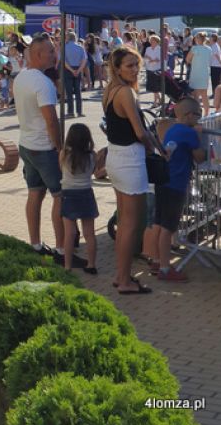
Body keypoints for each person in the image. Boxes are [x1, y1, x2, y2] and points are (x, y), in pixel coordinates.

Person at [13, 35, 86, 267]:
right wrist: (60, 148)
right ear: (37, 55)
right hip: (44, 147)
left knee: (35, 193)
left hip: (27, 143)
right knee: (59, 196)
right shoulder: (43, 84)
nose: (55, 56)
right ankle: (62, 249)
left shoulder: (21, 77)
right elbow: (51, 121)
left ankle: (35, 244)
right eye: (51, 52)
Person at [102, 47, 155, 294]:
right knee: (131, 225)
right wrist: (154, 149)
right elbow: (140, 131)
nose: (135, 70)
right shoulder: (125, 92)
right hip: (129, 160)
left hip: (116, 157)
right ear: (117, 68)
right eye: (130, 65)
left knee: (124, 222)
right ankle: (124, 280)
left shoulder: (110, 90)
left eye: (137, 64)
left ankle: (121, 276)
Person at [150, 98, 205, 282]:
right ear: (189, 115)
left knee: (159, 223)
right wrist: (199, 138)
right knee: (168, 228)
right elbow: (199, 157)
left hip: (163, 182)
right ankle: (165, 269)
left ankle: (156, 260)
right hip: (176, 185)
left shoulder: (172, 129)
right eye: (198, 115)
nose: (199, 119)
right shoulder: (189, 133)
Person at [59, 122, 100, 274]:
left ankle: (67, 266)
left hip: (69, 194)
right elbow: (93, 172)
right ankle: (91, 264)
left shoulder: (64, 155)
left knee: (69, 233)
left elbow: (61, 169)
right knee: (89, 233)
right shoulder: (92, 156)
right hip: (86, 193)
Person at [186, 33, 211, 116]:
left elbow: (187, 59)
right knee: (204, 95)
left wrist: (193, 62)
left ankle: (198, 114)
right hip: (205, 73)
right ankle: (206, 113)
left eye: (196, 38)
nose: (195, 39)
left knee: (196, 94)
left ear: (198, 39)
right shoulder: (209, 49)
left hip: (196, 73)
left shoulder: (194, 48)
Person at [64, 31, 87, 118]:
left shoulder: (64, 47)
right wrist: (78, 70)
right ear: (75, 38)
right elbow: (84, 60)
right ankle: (79, 111)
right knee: (78, 92)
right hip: (78, 68)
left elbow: (64, 61)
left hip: (68, 69)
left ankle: (70, 112)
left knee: (69, 92)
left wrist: (71, 70)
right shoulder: (80, 48)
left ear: (67, 38)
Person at [144, 34, 162, 106]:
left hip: (157, 70)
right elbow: (145, 57)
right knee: (152, 87)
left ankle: (155, 102)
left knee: (155, 88)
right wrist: (150, 60)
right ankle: (160, 100)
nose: (151, 42)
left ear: (157, 41)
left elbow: (158, 59)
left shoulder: (159, 49)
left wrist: (150, 60)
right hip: (149, 69)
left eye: (153, 41)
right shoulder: (148, 48)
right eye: (150, 40)